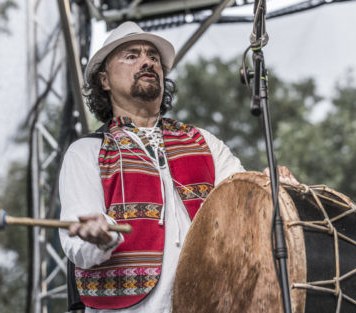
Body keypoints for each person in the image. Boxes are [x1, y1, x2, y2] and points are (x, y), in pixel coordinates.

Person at [59, 21, 298, 313]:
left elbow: (242, 203)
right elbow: (77, 247)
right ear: (104, 80)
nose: (147, 61)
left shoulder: (203, 142)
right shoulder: (86, 152)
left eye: (153, 57)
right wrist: (97, 235)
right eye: (131, 56)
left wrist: (270, 188)